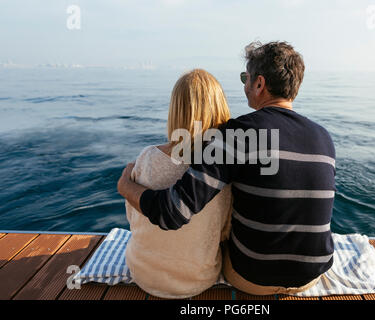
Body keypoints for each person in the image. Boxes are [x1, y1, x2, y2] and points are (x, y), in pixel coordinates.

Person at [118, 41, 336, 295]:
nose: (244, 85)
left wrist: (124, 185)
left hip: (253, 279)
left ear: (259, 84)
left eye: (246, 77)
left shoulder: (238, 134)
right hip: (311, 276)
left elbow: (173, 213)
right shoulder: (324, 137)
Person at [124, 69, 233, 299]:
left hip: (142, 273)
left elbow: (133, 218)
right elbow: (224, 232)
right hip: (199, 279)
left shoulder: (147, 157)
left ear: (175, 110)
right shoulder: (223, 170)